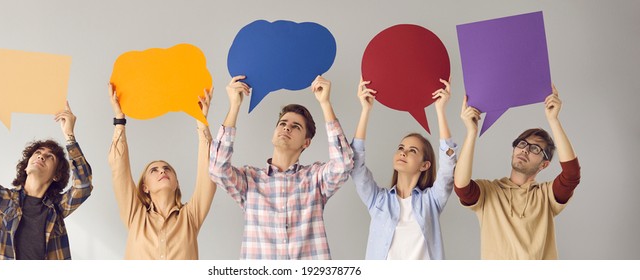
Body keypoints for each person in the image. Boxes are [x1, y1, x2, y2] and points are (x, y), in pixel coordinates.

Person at [208, 75, 354, 260]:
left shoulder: (315, 179)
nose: (286, 128)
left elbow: (344, 164)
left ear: (306, 143)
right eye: (283, 124)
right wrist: (234, 106)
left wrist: (325, 103)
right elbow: (217, 169)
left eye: (296, 127)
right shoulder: (249, 180)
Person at [0, 99, 92, 260]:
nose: (41, 156)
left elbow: (84, 185)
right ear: (26, 167)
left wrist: (69, 136)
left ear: (56, 175)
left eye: (49, 157)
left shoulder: (57, 207)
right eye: (38, 153)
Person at [454, 85, 581, 259]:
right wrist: (471, 133)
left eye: (535, 148)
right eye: (522, 144)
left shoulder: (546, 196)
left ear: (544, 165)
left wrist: (553, 120)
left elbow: (571, 175)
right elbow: (461, 188)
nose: (525, 150)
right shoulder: (489, 192)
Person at [351, 78, 458, 260]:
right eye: (401, 148)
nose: (403, 153)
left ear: (425, 165)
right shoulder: (378, 201)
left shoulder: (431, 201)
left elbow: (448, 167)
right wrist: (365, 110)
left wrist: (440, 111)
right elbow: (356, 166)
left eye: (412, 151)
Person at [108, 84, 216, 259]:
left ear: (176, 183)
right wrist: (119, 120)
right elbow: (119, 169)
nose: (162, 171)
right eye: (154, 170)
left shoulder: (190, 217)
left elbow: (209, 173)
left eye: (167, 169)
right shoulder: (135, 216)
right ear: (145, 187)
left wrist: (201, 121)